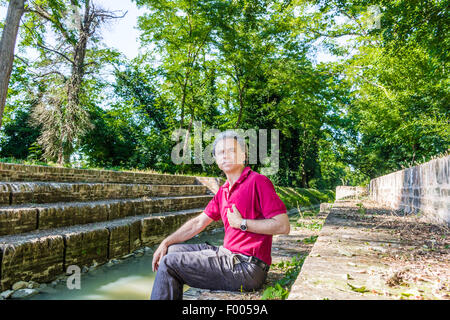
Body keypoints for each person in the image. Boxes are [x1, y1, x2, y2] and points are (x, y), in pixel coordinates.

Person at [150, 130, 290, 300]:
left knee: (168, 264)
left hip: (248, 267)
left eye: (232, 150)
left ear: (244, 156)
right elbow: (198, 223)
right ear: (216, 161)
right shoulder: (223, 191)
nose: (226, 155)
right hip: (228, 255)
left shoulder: (257, 181)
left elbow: (283, 225)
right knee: (170, 251)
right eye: (221, 152)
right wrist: (166, 242)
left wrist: (242, 223)